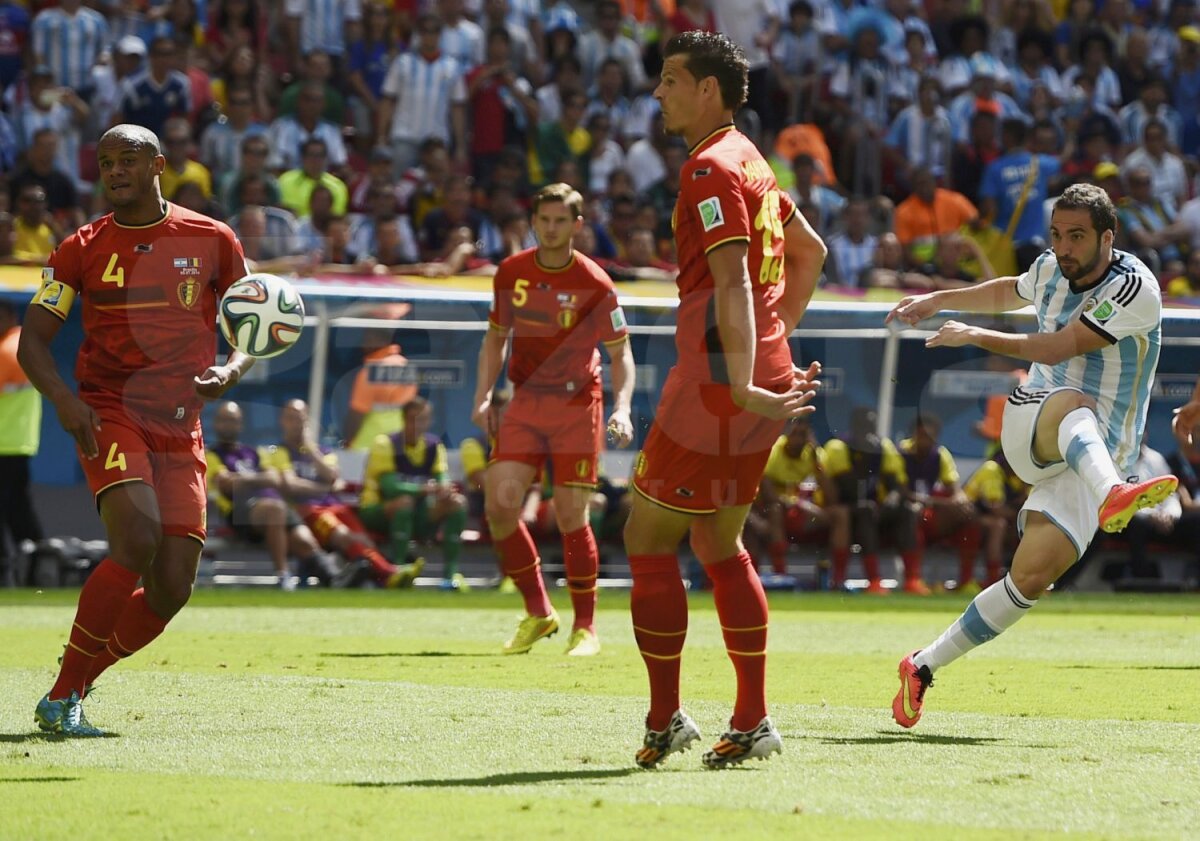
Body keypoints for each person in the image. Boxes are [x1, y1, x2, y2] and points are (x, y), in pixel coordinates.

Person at [885, 182, 1178, 729]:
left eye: (1076, 237)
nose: (1063, 248)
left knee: (1031, 579)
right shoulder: (1050, 268)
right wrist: (939, 299)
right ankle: (1115, 492)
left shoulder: (1136, 289)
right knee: (1074, 400)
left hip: (1097, 455)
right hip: (1035, 419)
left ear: (1107, 238)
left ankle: (922, 666)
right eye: (1057, 236)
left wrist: (973, 333)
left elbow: (1058, 343)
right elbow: (1014, 292)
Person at [622, 31, 825, 771]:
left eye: (671, 80)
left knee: (646, 540)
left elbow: (734, 279)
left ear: (708, 89)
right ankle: (751, 717)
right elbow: (812, 254)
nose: (659, 93)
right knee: (717, 542)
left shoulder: (709, 168)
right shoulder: (752, 159)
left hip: (718, 380)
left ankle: (664, 715)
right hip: (755, 370)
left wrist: (740, 378)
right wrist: (773, 346)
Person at [17, 125, 255, 736]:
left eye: (127, 160)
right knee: (138, 538)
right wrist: (65, 401)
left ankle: (68, 690)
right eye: (105, 162)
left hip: (183, 425)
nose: (115, 170)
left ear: (159, 165)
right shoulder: (79, 247)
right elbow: (33, 343)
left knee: (172, 586)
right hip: (111, 411)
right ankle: (66, 694)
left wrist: (230, 369)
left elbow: (251, 327)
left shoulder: (213, 239)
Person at [471, 181, 636, 656]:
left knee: (570, 515)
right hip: (525, 400)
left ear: (576, 226)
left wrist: (622, 406)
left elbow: (620, 354)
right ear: (533, 222)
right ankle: (539, 613)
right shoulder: (511, 273)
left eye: (560, 220)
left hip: (577, 404)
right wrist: (483, 397)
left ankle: (587, 629)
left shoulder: (595, 282)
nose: (550, 228)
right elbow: (495, 339)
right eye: (543, 220)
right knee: (500, 505)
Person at [263, 399, 417, 590]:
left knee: (363, 539)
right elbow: (290, 485)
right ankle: (388, 573)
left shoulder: (323, 452)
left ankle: (386, 577)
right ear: (283, 421)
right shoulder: (279, 452)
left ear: (307, 421)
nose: (296, 423)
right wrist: (324, 487)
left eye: (300, 418)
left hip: (334, 506)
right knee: (344, 536)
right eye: (291, 418)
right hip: (308, 511)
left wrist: (310, 450)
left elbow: (331, 476)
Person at [207, 400, 332, 590]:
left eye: (233, 420)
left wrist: (244, 478)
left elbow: (275, 478)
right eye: (223, 420)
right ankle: (283, 575)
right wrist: (259, 478)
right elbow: (227, 485)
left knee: (302, 539)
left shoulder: (255, 452)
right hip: (240, 513)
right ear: (215, 423)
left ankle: (333, 577)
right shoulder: (211, 454)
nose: (228, 425)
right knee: (274, 510)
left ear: (241, 424)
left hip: (274, 509)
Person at [359, 397, 465, 588]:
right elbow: (389, 488)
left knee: (457, 502)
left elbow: (442, 477)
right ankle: (398, 571)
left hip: (416, 513)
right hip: (376, 510)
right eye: (413, 419)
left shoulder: (434, 446)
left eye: (423, 419)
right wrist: (426, 489)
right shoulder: (385, 443)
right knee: (404, 502)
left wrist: (444, 488)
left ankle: (450, 576)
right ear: (404, 419)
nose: (418, 424)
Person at [0, 299, 44, 587]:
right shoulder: (19, 344)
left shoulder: (10, 347)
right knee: (15, 510)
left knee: (16, 512)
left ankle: (38, 569)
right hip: (13, 444)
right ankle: (35, 569)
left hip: (8, 444)